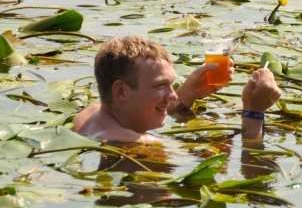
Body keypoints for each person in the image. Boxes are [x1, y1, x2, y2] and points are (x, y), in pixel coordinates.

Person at [73, 36, 281, 142]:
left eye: (171, 84)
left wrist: (189, 93)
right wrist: (254, 114)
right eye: (160, 85)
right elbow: (248, 166)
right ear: (120, 91)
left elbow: (131, 110)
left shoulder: (89, 115)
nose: (173, 95)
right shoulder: (137, 144)